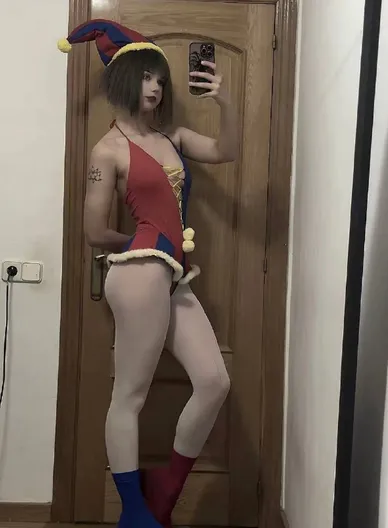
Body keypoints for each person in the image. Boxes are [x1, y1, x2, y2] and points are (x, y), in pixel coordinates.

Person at [58, 19, 238, 528]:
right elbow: (94, 231)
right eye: (144, 76)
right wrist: (144, 243)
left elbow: (225, 151)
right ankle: (134, 512)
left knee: (214, 381)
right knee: (130, 396)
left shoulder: (172, 136)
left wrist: (225, 102)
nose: (155, 87)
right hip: (140, 272)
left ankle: (164, 490)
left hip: (173, 274)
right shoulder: (107, 151)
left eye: (159, 78)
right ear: (123, 78)